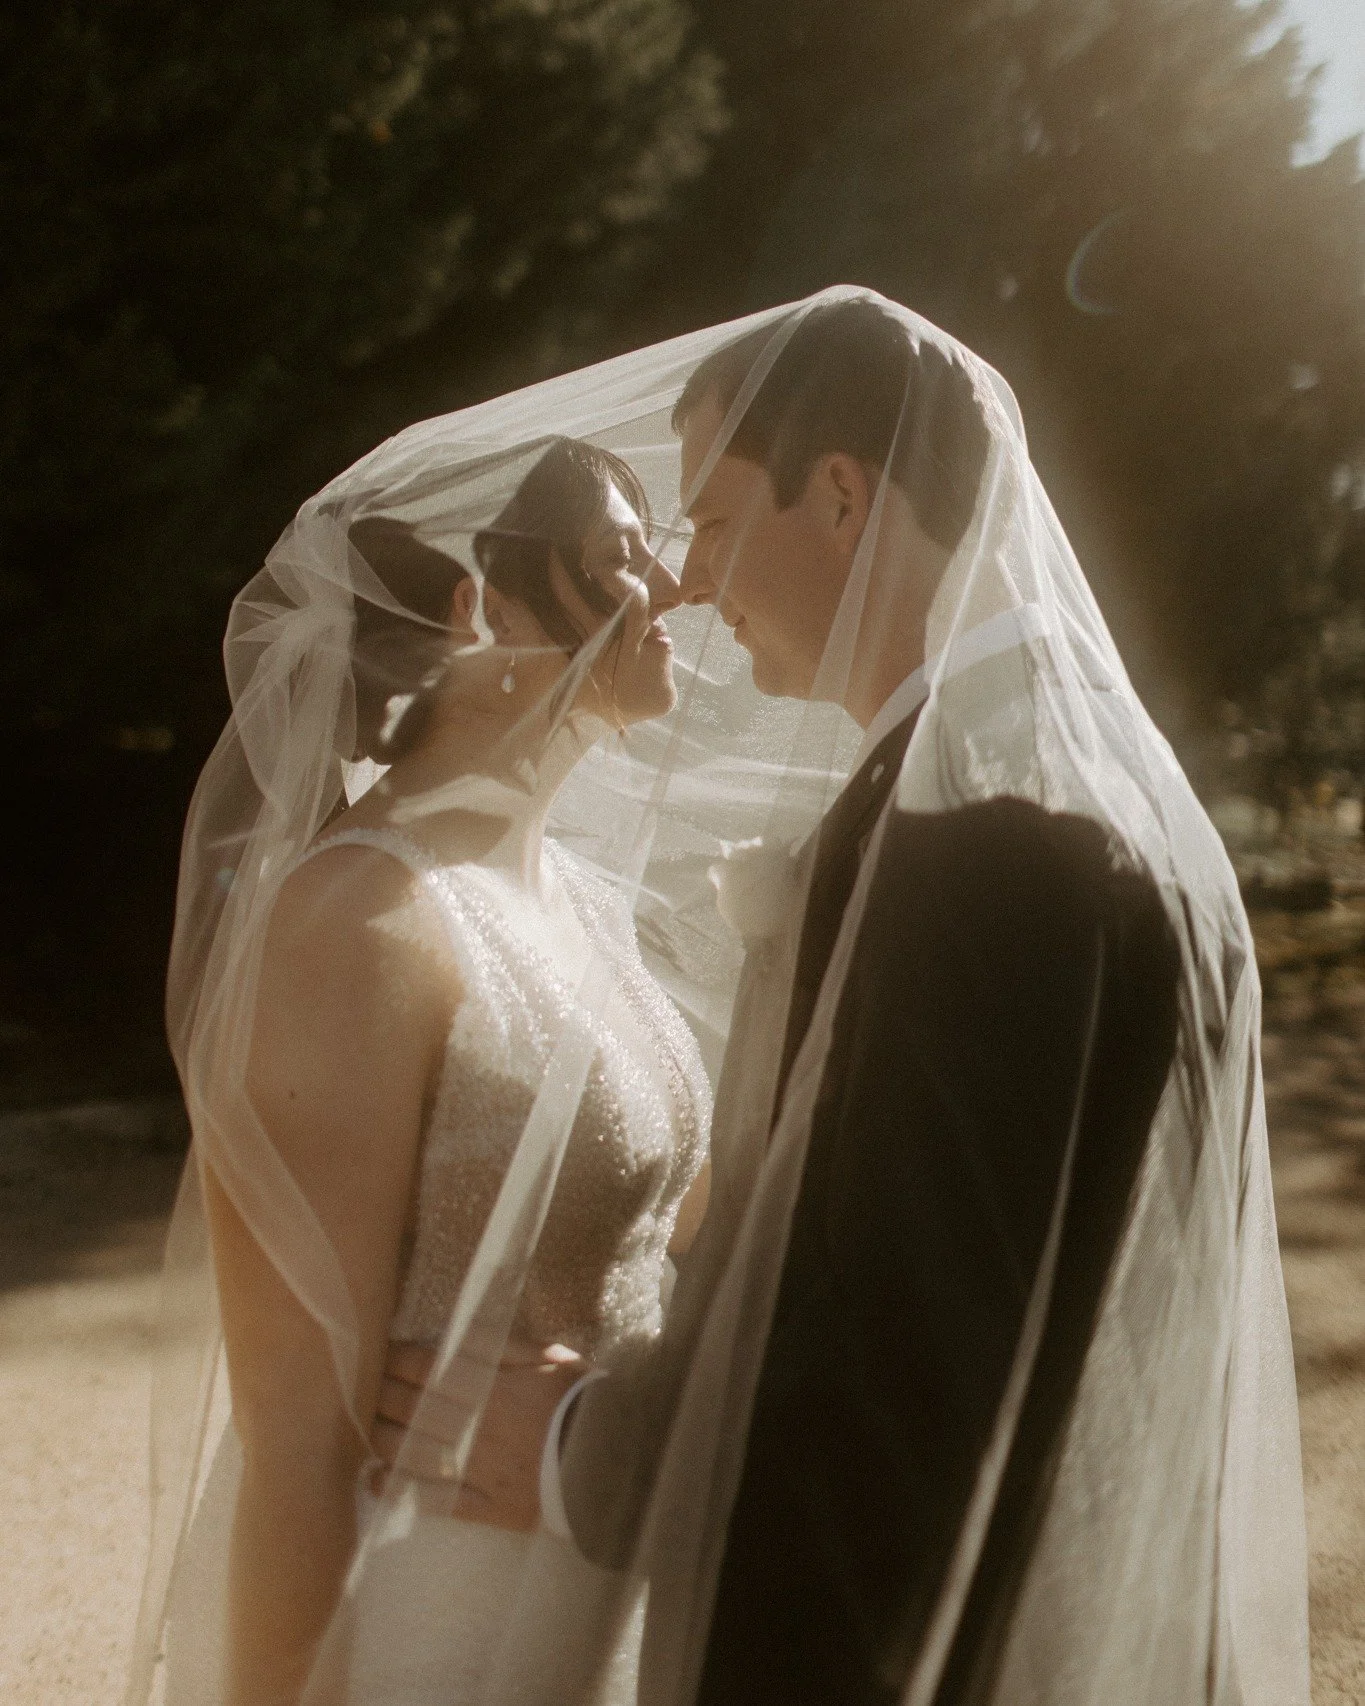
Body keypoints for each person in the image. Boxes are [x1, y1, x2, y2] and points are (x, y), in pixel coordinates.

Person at [367, 294, 1310, 1706]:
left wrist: (572, 1443)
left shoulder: (980, 835)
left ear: (840, 495)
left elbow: (897, 1363)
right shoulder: (1099, 788)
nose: (687, 580)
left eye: (712, 520)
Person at [143, 438, 713, 1706]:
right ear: (479, 605)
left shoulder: (589, 902)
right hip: (432, 1627)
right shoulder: (354, 921)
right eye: (625, 557)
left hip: (603, 1592)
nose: (676, 590)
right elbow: (296, 1444)